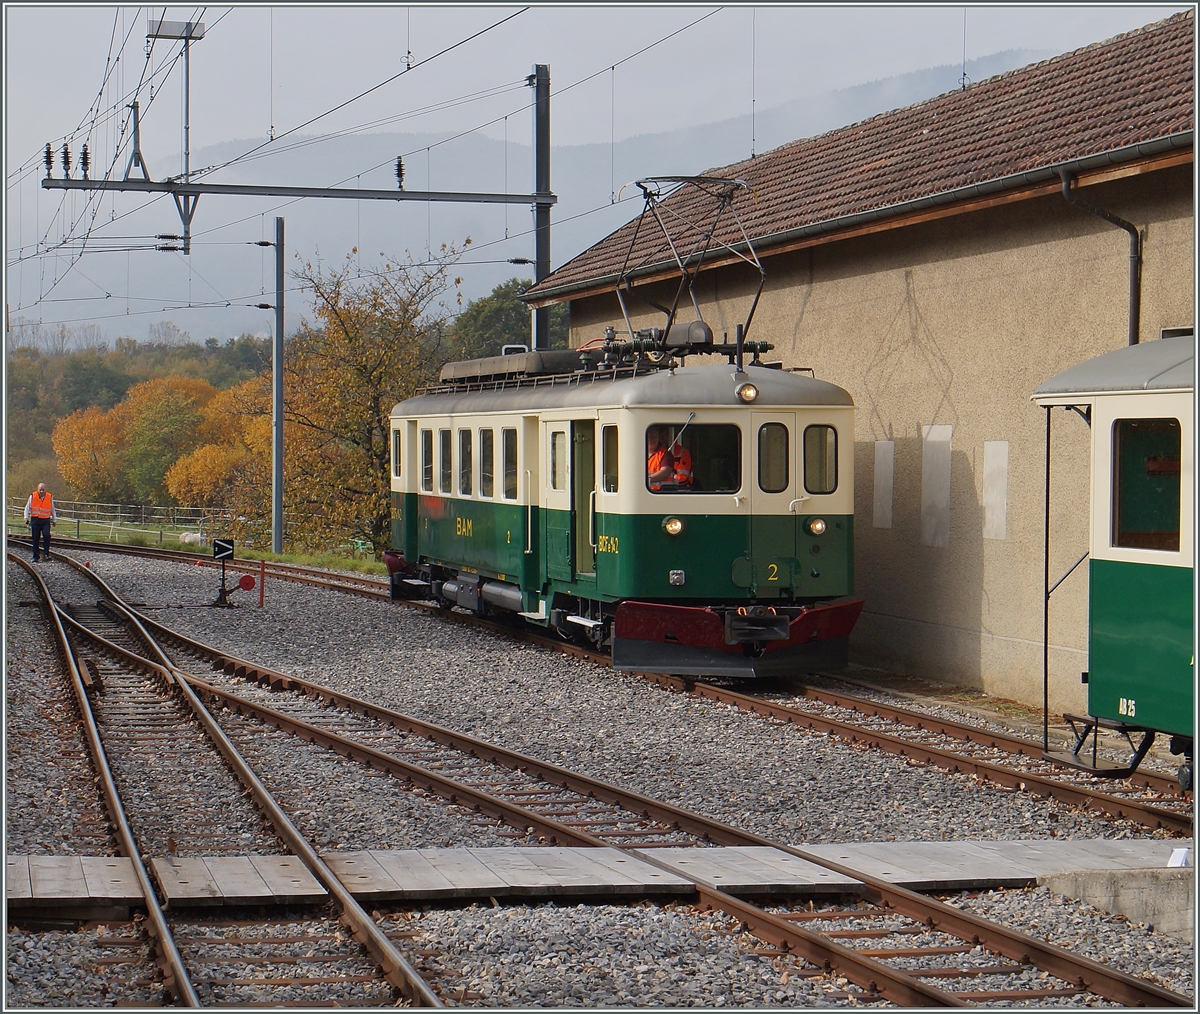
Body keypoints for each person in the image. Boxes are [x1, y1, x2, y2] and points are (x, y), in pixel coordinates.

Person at [24, 483, 57, 562]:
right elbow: (27, 507)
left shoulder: (49, 497)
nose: (41, 491)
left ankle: (46, 554)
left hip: (45, 520)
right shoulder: (33, 496)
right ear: (37, 489)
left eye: (43, 489)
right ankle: (36, 556)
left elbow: (52, 508)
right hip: (35, 519)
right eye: (40, 489)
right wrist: (26, 517)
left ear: (46, 489)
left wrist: (54, 519)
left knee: (46, 535)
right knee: (35, 538)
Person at [646, 426, 674, 491]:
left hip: (662, 494)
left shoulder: (666, 454)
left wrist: (647, 479)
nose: (653, 439)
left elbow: (665, 472)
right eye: (650, 437)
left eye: (655, 437)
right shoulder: (640, 454)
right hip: (645, 494)